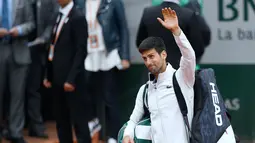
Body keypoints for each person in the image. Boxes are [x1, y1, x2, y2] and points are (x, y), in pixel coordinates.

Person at [123, 7, 196, 143]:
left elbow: (189, 57)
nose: (148, 62)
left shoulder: (181, 78)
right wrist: (128, 135)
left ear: (164, 54)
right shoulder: (144, 90)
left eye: (151, 56)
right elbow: (133, 120)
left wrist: (176, 32)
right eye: (145, 58)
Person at [74, 0, 130, 142]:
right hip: (88, 54)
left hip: (108, 53)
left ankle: (113, 135)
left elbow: (123, 27)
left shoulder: (113, 2)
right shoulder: (80, 3)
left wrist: (125, 56)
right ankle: (93, 124)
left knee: (109, 97)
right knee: (84, 93)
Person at [43, 0, 91, 142]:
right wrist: (48, 75)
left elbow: (81, 50)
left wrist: (71, 79)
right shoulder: (56, 16)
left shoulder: (78, 17)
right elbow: (52, 47)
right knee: (61, 121)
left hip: (72, 81)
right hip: (57, 79)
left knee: (79, 121)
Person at [0, 0, 35, 142]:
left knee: (18, 95)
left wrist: (19, 30)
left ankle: (16, 132)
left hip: (18, 49)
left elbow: (31, 23)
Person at [136, 0, 203, 69]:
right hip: (180, 69)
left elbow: (140, 43)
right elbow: (198, 48)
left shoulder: (148, 12)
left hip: (154, 70)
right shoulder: (189, 14)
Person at [26, 0, 58, 138]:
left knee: (34, 89)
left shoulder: (49, 2)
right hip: (13, 45)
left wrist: (43, 38)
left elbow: (53, 20)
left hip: (37, 49)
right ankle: (13, 125)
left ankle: (36, 125)